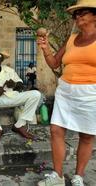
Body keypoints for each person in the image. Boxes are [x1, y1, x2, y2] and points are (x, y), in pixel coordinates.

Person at [37, 1, 96, 185]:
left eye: (82, 13)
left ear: (95, 15)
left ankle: (78, 176)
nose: (77, 17)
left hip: (90, 92)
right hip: (65, 90)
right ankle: (58, 175)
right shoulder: (71, 39)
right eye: (75, 14)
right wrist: (46, 49)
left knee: (86, 135)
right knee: (55, 130)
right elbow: (55, 63)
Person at [0, 49, 41, 143]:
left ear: (2, 60)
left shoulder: (9, 70)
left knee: (36, 94)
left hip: (12, 96)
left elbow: (20, 83)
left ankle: (19, 125)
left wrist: (14, 84)